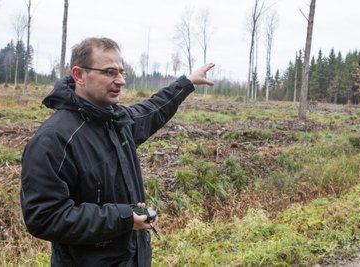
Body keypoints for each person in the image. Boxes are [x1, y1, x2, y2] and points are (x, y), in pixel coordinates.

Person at [20, 37, 214, 267]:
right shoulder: (54, 140)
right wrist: (123, 218)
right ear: (79, 75)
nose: (121, 80)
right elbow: (44, 217)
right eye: (110, 72)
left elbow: (152, 110)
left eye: (122, 72)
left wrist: (187, 82)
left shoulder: (117, 121)